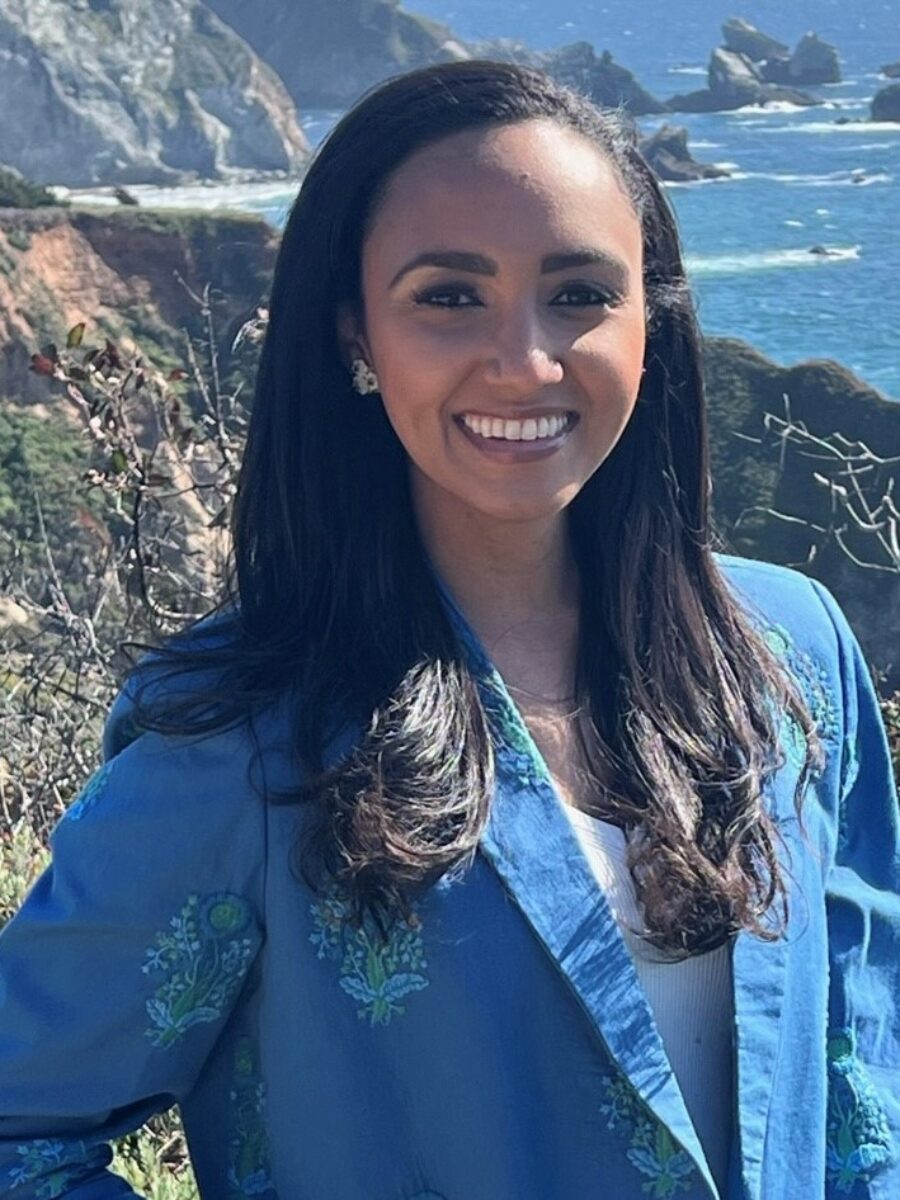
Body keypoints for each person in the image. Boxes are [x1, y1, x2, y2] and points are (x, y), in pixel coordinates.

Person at [0, 59, 897, 1200]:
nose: (524, 361)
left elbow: (865, 1080)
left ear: (651, 323)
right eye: (449, 297)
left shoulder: (791, 654)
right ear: (355, 334)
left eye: (581, 293)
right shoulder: (242, 737)